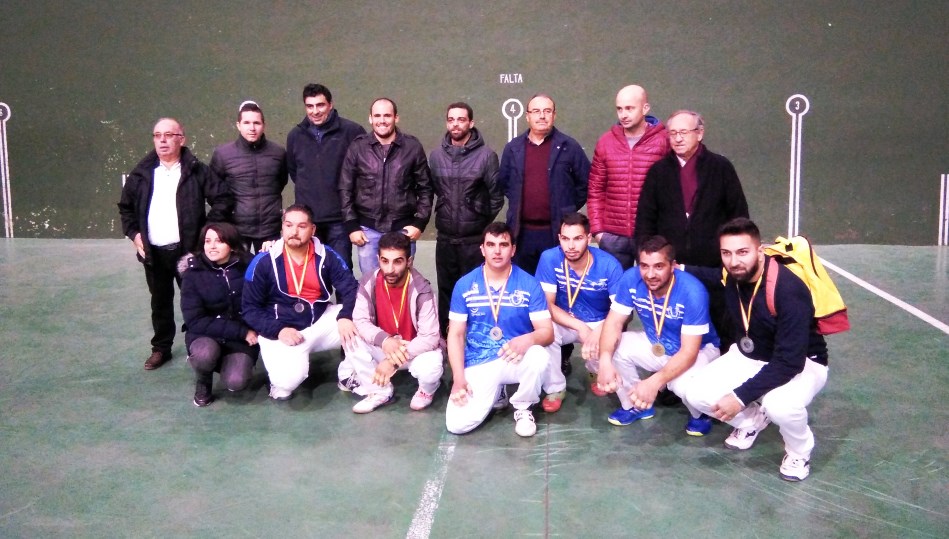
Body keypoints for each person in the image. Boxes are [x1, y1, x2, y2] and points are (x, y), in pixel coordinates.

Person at [684, 218, 829, 482]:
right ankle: (751, 422)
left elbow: (789, 362)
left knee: (780, 405)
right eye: (726, 253)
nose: (734, 261)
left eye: (742, 252)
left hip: (803, 361)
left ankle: (800, 450)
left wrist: (739, 396)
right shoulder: (734, 275)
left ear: (760, 251)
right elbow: (715, 277)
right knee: (693, 393)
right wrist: (679, 267)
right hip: (753, 354)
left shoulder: (788, 290)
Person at [118, 118, 230, 370]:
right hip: (153, 253)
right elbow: (125, 209)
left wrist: (205, 234)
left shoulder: (196, 170)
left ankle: (202, 345)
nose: (163, 140)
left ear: (182, 139)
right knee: (159, 302)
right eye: (157, 135)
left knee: (198, 300)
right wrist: (136, 236)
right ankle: (161, 348)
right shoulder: (142, 173)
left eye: (169, 135)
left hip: (187, 252)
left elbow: (222, 199)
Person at [636, 110, 750, 352]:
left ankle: (726, 378)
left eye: (684, 132)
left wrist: (734, 257)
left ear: (699, 133)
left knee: (721, 323)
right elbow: (646, 220)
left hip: (713, 266)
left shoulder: (721, 168)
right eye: (673, 133)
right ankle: (673, 381)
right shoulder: (658, 172)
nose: (677, 138)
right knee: (675, 326)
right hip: (672, 266)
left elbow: (738, 216)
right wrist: (652, 259)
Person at [596, 235, 721, 435]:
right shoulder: (631, 278)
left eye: (659, 266)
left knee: (680, 385)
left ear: (673, 266)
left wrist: (654, 382)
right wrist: (603, 361)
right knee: (612, 349)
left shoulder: (693, 291)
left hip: (700, 350)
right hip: (658, 343)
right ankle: (635, 405)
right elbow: (614, 322)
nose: (650, 274)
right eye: (644, 266)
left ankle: (700, 415)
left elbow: (689, 351)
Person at [241, 204, 365, 401]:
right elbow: (249, 309)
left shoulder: (327, 255)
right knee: (287, 385)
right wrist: (278, 330)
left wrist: (345, 316)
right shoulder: (263, 261)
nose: (294, 232)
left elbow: (351, 289)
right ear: (282, 228)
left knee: (362, 321)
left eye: (302, 226)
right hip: (281, 329)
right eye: (289, 225)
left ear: (313, 229)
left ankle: (347, 374)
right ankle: (277, 377)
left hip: (318, 322)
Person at [445, 222, 553, 438]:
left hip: (514, 357)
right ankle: (497, 391)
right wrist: (458, 379)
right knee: (457, 425)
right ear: (482, 249)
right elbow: (455, 335)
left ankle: (523, 407)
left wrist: (528, 339)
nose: (497, 251)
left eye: (503, 245)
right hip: (479, 360)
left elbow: (547, 332)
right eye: (491, 245)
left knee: (539, 356)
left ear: (513, 249)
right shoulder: (465, 285)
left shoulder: (529, 284)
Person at [534, 212, 623, 413]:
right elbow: (546, 305)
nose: (571, 246)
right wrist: (580, 327)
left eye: (577, 238)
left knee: (612, 337)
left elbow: (620, 312)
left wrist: (596, 333)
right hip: (565, 320)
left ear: (589, 238)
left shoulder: (609, 265)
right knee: (545, 332)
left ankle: (594, 370)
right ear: (559, 239)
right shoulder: (549, 258)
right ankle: (555, 388)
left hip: (600, 321)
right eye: (565, 239)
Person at [347, 231, 444, 413]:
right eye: (385, 261)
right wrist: (384, 340)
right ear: (378, 259)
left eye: (397, 261)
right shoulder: (369, 281)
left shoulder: (422, 289)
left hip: (413, 349)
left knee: (431, 368)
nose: (390, 269)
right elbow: (360, 320)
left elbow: (430, 337)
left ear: (409, 261)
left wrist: (392, 361)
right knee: (350, 337)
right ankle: (379, 391)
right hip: (384, 346)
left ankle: (426, 390)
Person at [429, 102, 503, 337]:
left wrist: (478, 219)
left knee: (475, 293)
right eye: (451, 119)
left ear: (471, 123)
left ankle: (476, 341)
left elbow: (496, 197)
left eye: (461, 119)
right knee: (447, 293)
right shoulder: (436, 156)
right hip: (446, 241)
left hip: (473, 242)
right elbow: (434, 191)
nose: (456, 124)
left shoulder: (487, 156)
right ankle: (446, 341)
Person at [499, 93, 590, 276]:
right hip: (522, 234)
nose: (542, 116)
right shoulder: (513, 148)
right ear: (527, 116)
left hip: (556, 233)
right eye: (536, 111)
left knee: (557, 289)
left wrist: (566, 206)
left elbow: (585, 183)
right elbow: (505, 184)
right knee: (524, 288)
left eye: (547, 111)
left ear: (554, 115)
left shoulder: (569, 146)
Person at [340, 97, 433, 274]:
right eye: (377, 116)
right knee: (371, 286)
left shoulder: (412, 147)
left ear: (396, 118)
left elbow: (425, 188)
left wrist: (419, 223)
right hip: (367, 232)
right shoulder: (357, 147)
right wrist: (352, 225)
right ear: (370, 118)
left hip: (403, 230)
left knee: (401, 285)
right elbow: (345, 188)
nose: (382, 121)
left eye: (387, 116)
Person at [587, 84, 669, 269]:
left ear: (645, 108)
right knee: (614, 294)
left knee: (652, 292)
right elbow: (595, 190)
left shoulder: (665, 141)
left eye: (630, 108)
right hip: (613, 237)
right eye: (619, 109)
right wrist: (599, 231)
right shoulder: (606, 142)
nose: (623, 114)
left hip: (652, 235)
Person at [286, 84, 366, 269]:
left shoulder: (352, 132)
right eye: (310, 106)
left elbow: (362, 173)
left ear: (330, 104)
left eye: (320, 105)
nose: (315, 111)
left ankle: (343, 300)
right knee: (311, 273)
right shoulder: (295, 136)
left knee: (341, 270)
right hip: (308, 221)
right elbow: (294, 172)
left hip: (340, 219)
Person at [179, 222, 258, 407]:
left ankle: (228, 364)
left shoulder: (249, 266)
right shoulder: (193, 273)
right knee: (204, 355)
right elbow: (195, 321)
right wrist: (243, 332)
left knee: (236, 382)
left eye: (219, 241)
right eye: (208, 241)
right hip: (206, 335)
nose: (212, 246)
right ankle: (203, 379)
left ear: (231, 244)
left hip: (238, 340)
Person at [210, 101, 288, 253]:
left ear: (263, 125)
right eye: (246, 123)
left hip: (270, 228)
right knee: (238, 273)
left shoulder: (278, 153)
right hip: (236, 228)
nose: (252, 128)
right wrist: (230, 213)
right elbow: (215, 191)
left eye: (256, 123)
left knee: (269, 274)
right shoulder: (223, 154)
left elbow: (281, 181)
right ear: (238, 125)